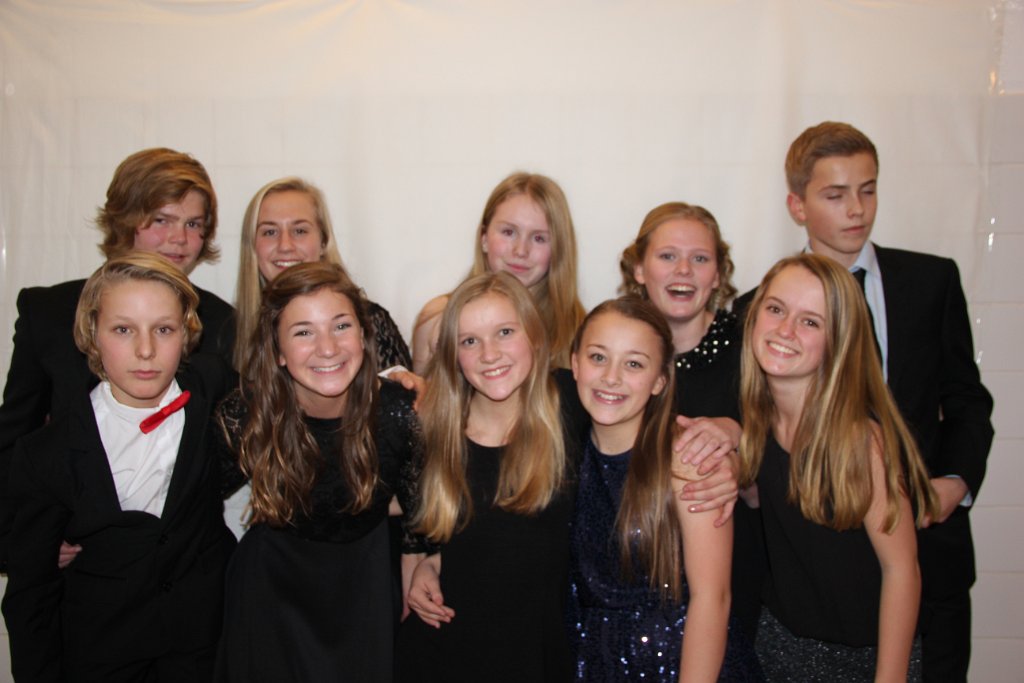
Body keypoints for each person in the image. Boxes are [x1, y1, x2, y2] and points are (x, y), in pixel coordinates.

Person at [778, 121, 994, 681]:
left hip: (930, 550)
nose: (857, 209)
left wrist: (954, 484)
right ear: (797, 206)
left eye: (868, 189)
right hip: (820, 572)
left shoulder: (930, 281)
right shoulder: (769, 310)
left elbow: (966, 399)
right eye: (835, 194)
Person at [2, 253, 237, 682]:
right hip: (100, 654)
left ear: (186, 331)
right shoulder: (46, 453)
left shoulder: (212, 386)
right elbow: (30, 594)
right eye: (123, 330)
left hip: (206, 649)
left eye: (163, 329)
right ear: (92, 333)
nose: (146, 351)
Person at [0, 147, 235, 568]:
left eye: (193, 224)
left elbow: (231, 453)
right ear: (124, 218)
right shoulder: (49, 313)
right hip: (77, 574)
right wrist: (23, 537)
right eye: (161, 220)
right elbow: (14, 440)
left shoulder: (221, 323)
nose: (180, 239)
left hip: (183, 570)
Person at [214, 262, 425, 683]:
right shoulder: (245, 415)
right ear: (277, 350)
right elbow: (193, 500)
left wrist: (420, 564)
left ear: (364, 336)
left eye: (341, 326)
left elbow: (421, 515)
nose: (327, 348)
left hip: (363, 588)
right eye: (303, 332)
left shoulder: (400, 412)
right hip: (270, 591)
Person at [739, 254, 938, 681]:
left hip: (865, 657)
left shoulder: (860, 441)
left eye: (811, 322)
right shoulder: (756, 420)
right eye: (775, 309)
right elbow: (761, 497)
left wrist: (890, 677)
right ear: (753, 316)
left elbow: (902, 569)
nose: (785, 330)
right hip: (780, 645)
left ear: (840, 341)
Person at [566, 297, 761, 682]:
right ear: (574, 363)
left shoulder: (688, 459)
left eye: (634, 364)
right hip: (590, 660)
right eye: (598, 357)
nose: (611, 377)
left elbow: (713, 598)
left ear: (660, 380)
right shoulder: (563, 449)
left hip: (681, 662)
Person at [396, 272, 577, 682]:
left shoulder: (571, 405)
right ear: (453, 355)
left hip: (536, 655)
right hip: (441, 654)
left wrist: (720, 429)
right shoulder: (434, 428)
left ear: (534, 336)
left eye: (505, 332)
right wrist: (434, 561)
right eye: (469, 341)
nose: (489, 354)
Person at [619, 202, 763, 640]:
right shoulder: (612, 344)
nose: (683, 270)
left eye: (700, 258)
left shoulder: (753, 348)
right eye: (667, 256)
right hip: (628, 582)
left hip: (736, 577)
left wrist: (741, 446)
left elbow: (791, 451)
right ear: (639, 268)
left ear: (718, 274)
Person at [233, 176, 411, 373]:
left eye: (299, 230)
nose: (285, 246)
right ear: (252, 246)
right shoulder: (229, 332)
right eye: (270, 232)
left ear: (324, 241)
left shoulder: (371, 322)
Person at [411, 172, 585, 372]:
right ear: (484, 238)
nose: (521, 250)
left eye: (539, 238)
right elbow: (421, 391)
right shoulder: (436, 319)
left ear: (558, 250)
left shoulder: (581, 331)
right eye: (508, 232)